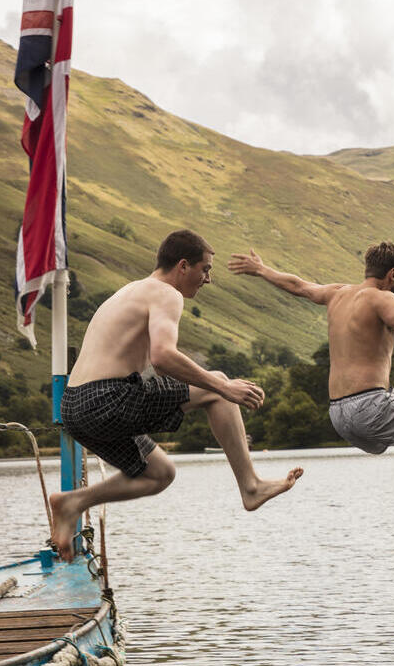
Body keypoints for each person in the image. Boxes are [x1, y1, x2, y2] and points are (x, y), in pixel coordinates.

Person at [49, 229, 303, 560]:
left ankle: (72, 502)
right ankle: (250, 486)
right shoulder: (167, 294)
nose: (208, 279)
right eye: (206, 269)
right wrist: (223, 387)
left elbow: (158, 364)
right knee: (219, 386)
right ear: (183, 266)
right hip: (106, 398)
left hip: (76, 408)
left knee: (161, 473)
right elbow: (164, 357)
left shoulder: (131, 291)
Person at [230, 241, 394, 544]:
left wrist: (261, 270)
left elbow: (299, 286)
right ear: (392, 275)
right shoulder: (382, 299)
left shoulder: (337, 294)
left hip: (338, 413)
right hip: (370, 407)